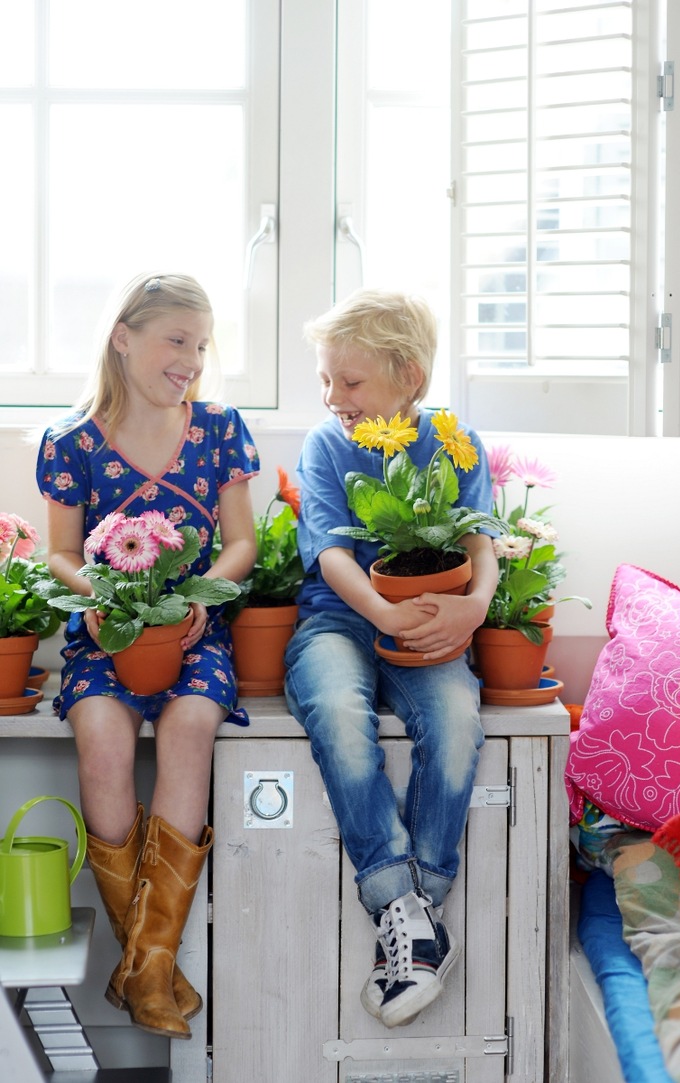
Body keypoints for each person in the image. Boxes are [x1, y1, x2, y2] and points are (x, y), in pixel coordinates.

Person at [35, 273, 259, 1040]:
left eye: (200, 345)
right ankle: (154, 968)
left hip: (196, 629)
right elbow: (60, 552)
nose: (191, 359)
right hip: (105, 630)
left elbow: (244, 543)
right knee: (100, 734)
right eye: (177, 340)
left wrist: (202, 595)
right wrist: (98, 596)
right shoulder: (72, 440)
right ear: (124, 337)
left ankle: (142, 965)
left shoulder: (221, 428)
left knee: (191, 723)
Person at [284, 288, 499, 1029]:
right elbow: (334, 554)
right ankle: (403, 906)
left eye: (349, 381)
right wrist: (381, 611)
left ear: (408, 375)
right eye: (326, 380)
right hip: (342, 620)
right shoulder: (327, 444)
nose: (332, 396)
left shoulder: (451, 437)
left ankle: (421, 903)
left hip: (429, 623)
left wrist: (474, 606)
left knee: (456, 713)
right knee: (339, 712)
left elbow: (481, 541)